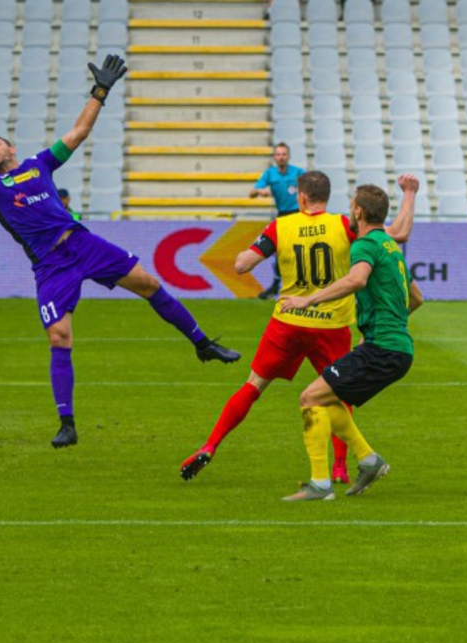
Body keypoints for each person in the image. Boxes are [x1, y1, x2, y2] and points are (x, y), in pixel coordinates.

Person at [0, 54, 241, 449]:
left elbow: (79, 132)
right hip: (50, 264)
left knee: (149, 283)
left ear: (11, 147)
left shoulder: (40, 163)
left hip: (81, 243)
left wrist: (100, 91)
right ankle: (67, 423)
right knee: (59, 336)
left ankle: (203, 345)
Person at [180, 172, 420, 485]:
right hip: (332, 324)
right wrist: (409, 193)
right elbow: (397, 234)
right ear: (328, 197)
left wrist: (249, 247)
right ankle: (340, 468)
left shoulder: (282, 225)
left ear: (301, 197)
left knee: (253, 386)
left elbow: (241, 265)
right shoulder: (342, 225)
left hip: (289, 321)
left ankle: (211, 445)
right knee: (337, 392)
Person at [278, 184, 422, 501]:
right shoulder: (390, 247)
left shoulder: (365, 245)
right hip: (394, 348)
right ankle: (368, 461)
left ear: (358, 211)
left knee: (310, 397)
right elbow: (416, 298)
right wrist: (384, 326)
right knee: (327, 398)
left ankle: (320, 485)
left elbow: (357, 280)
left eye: (351, 205)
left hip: (383, 349)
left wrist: (308, 300)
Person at [250, 142, 305, 299]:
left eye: (284, 154)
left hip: (298, 215)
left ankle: (303, 285)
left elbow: (311, 188)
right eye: (278, 154)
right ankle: (276, 285)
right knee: (280, 252)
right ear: (274, 157)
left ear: (289, 156)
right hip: (282, 216)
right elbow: (252, 193)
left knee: (300, 251)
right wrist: (260, 191)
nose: (281, 157)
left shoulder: (298, 172)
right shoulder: (270, 173)